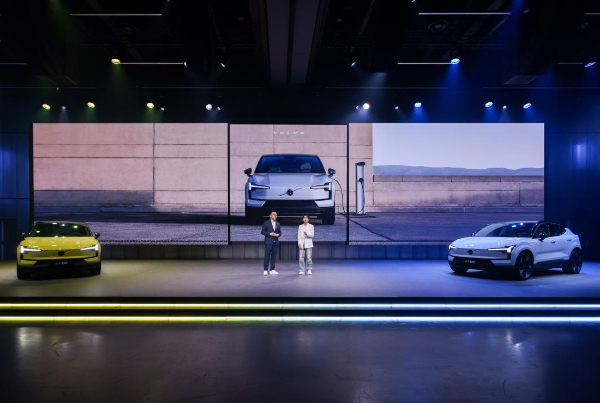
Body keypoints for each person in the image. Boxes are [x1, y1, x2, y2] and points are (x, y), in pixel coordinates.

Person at [261, 211, 281, 275]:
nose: (275, 216)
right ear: (270, 216)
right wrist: (270, 234)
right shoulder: (266, 223)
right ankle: (265, 269)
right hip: (268, 242)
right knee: (267, 256)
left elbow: (280, 232)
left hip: (275, 242)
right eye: (273, 214)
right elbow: (262, 232)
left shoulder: (278, 223)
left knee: (274, 256)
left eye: (276, 215)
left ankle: (272, 269)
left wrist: (278, 235)